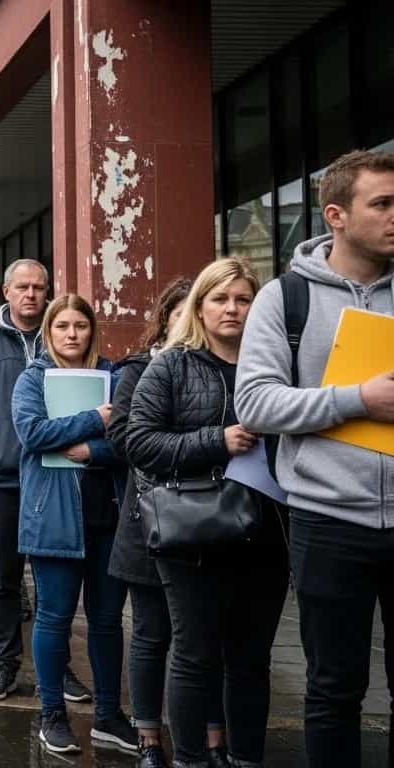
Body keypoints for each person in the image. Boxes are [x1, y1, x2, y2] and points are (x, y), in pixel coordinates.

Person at [235, 149, 394, 768]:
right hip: (327, 521)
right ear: (335, 215)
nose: (393, 216)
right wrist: (358, 399)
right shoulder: (285, 298)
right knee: (333, 691)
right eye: (381, 204)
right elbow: (255, 403)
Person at [128, 258, 287, 768]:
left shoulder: (277, 363)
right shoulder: (171, 364)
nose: (233, 309)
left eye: (243, 299)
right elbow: (139, 442)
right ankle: (191, 760)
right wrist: (216, 442)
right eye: (220, 298)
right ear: (199, 305)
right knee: (194, 656)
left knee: (250, 662)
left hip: (266, 530)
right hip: (193, 532)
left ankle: (245, 759)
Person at [0, 258, 90, 704]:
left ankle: (59, 666)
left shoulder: (62, 337)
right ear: (6, 292)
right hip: (3, 479)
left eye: (39, 286)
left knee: (57, 580)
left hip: (59, 476)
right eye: (22, 286)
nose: (31, 294)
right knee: (2, 577)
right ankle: (4, 664)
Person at [11, 294, 135, 755]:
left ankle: (107, 716)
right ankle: (52, 716)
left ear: (91, 329)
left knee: (106, 621)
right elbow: (32, 433)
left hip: (106, 515)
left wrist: (92, 450)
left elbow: (128, 439)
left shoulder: (115, 375)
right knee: (54, 618)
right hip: (52, 517)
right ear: (49, 329)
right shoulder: (33, 378)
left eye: (80, 325)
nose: (71, 334)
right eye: (62, 325)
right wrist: (92, 419)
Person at [106, 276, 193, 767]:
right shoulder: (138, 370)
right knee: (150, 632)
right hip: (149, 521)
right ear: (166, 319)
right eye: (183, 312)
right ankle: (148, 738)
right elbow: (122, 437)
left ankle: (202, 737)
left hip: (210, 524)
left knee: (200, 639)